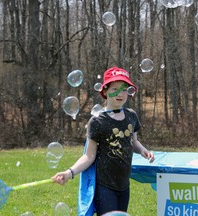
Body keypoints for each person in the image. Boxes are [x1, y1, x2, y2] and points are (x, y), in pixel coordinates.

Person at [52, 67, 155, 215]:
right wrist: (70, 173)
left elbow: (134, 142)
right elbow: (89, 156)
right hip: (105, 186)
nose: (120, 94)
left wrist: (143, 150)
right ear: (105, 91)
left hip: (124, 185)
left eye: (124, 89)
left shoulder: (131, 116)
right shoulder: (98, 121)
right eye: (115, 89)